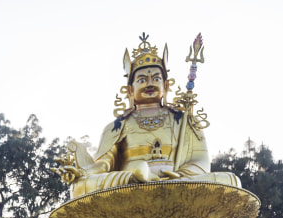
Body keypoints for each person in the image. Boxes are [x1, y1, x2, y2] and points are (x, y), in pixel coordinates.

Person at [58, 34, 239, 197]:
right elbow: (104, 165)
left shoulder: (184, 119)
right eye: (142, 80)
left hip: (176, 183)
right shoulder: (117, 126)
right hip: (128, 185)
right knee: (79, 187)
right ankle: (137, 176)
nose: (150, 84)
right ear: (130, 90)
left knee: (230, 181)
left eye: (156, 79)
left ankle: (152, 179)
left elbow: (201, 161)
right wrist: (84, 172)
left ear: (166, 86)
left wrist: (179, 177)